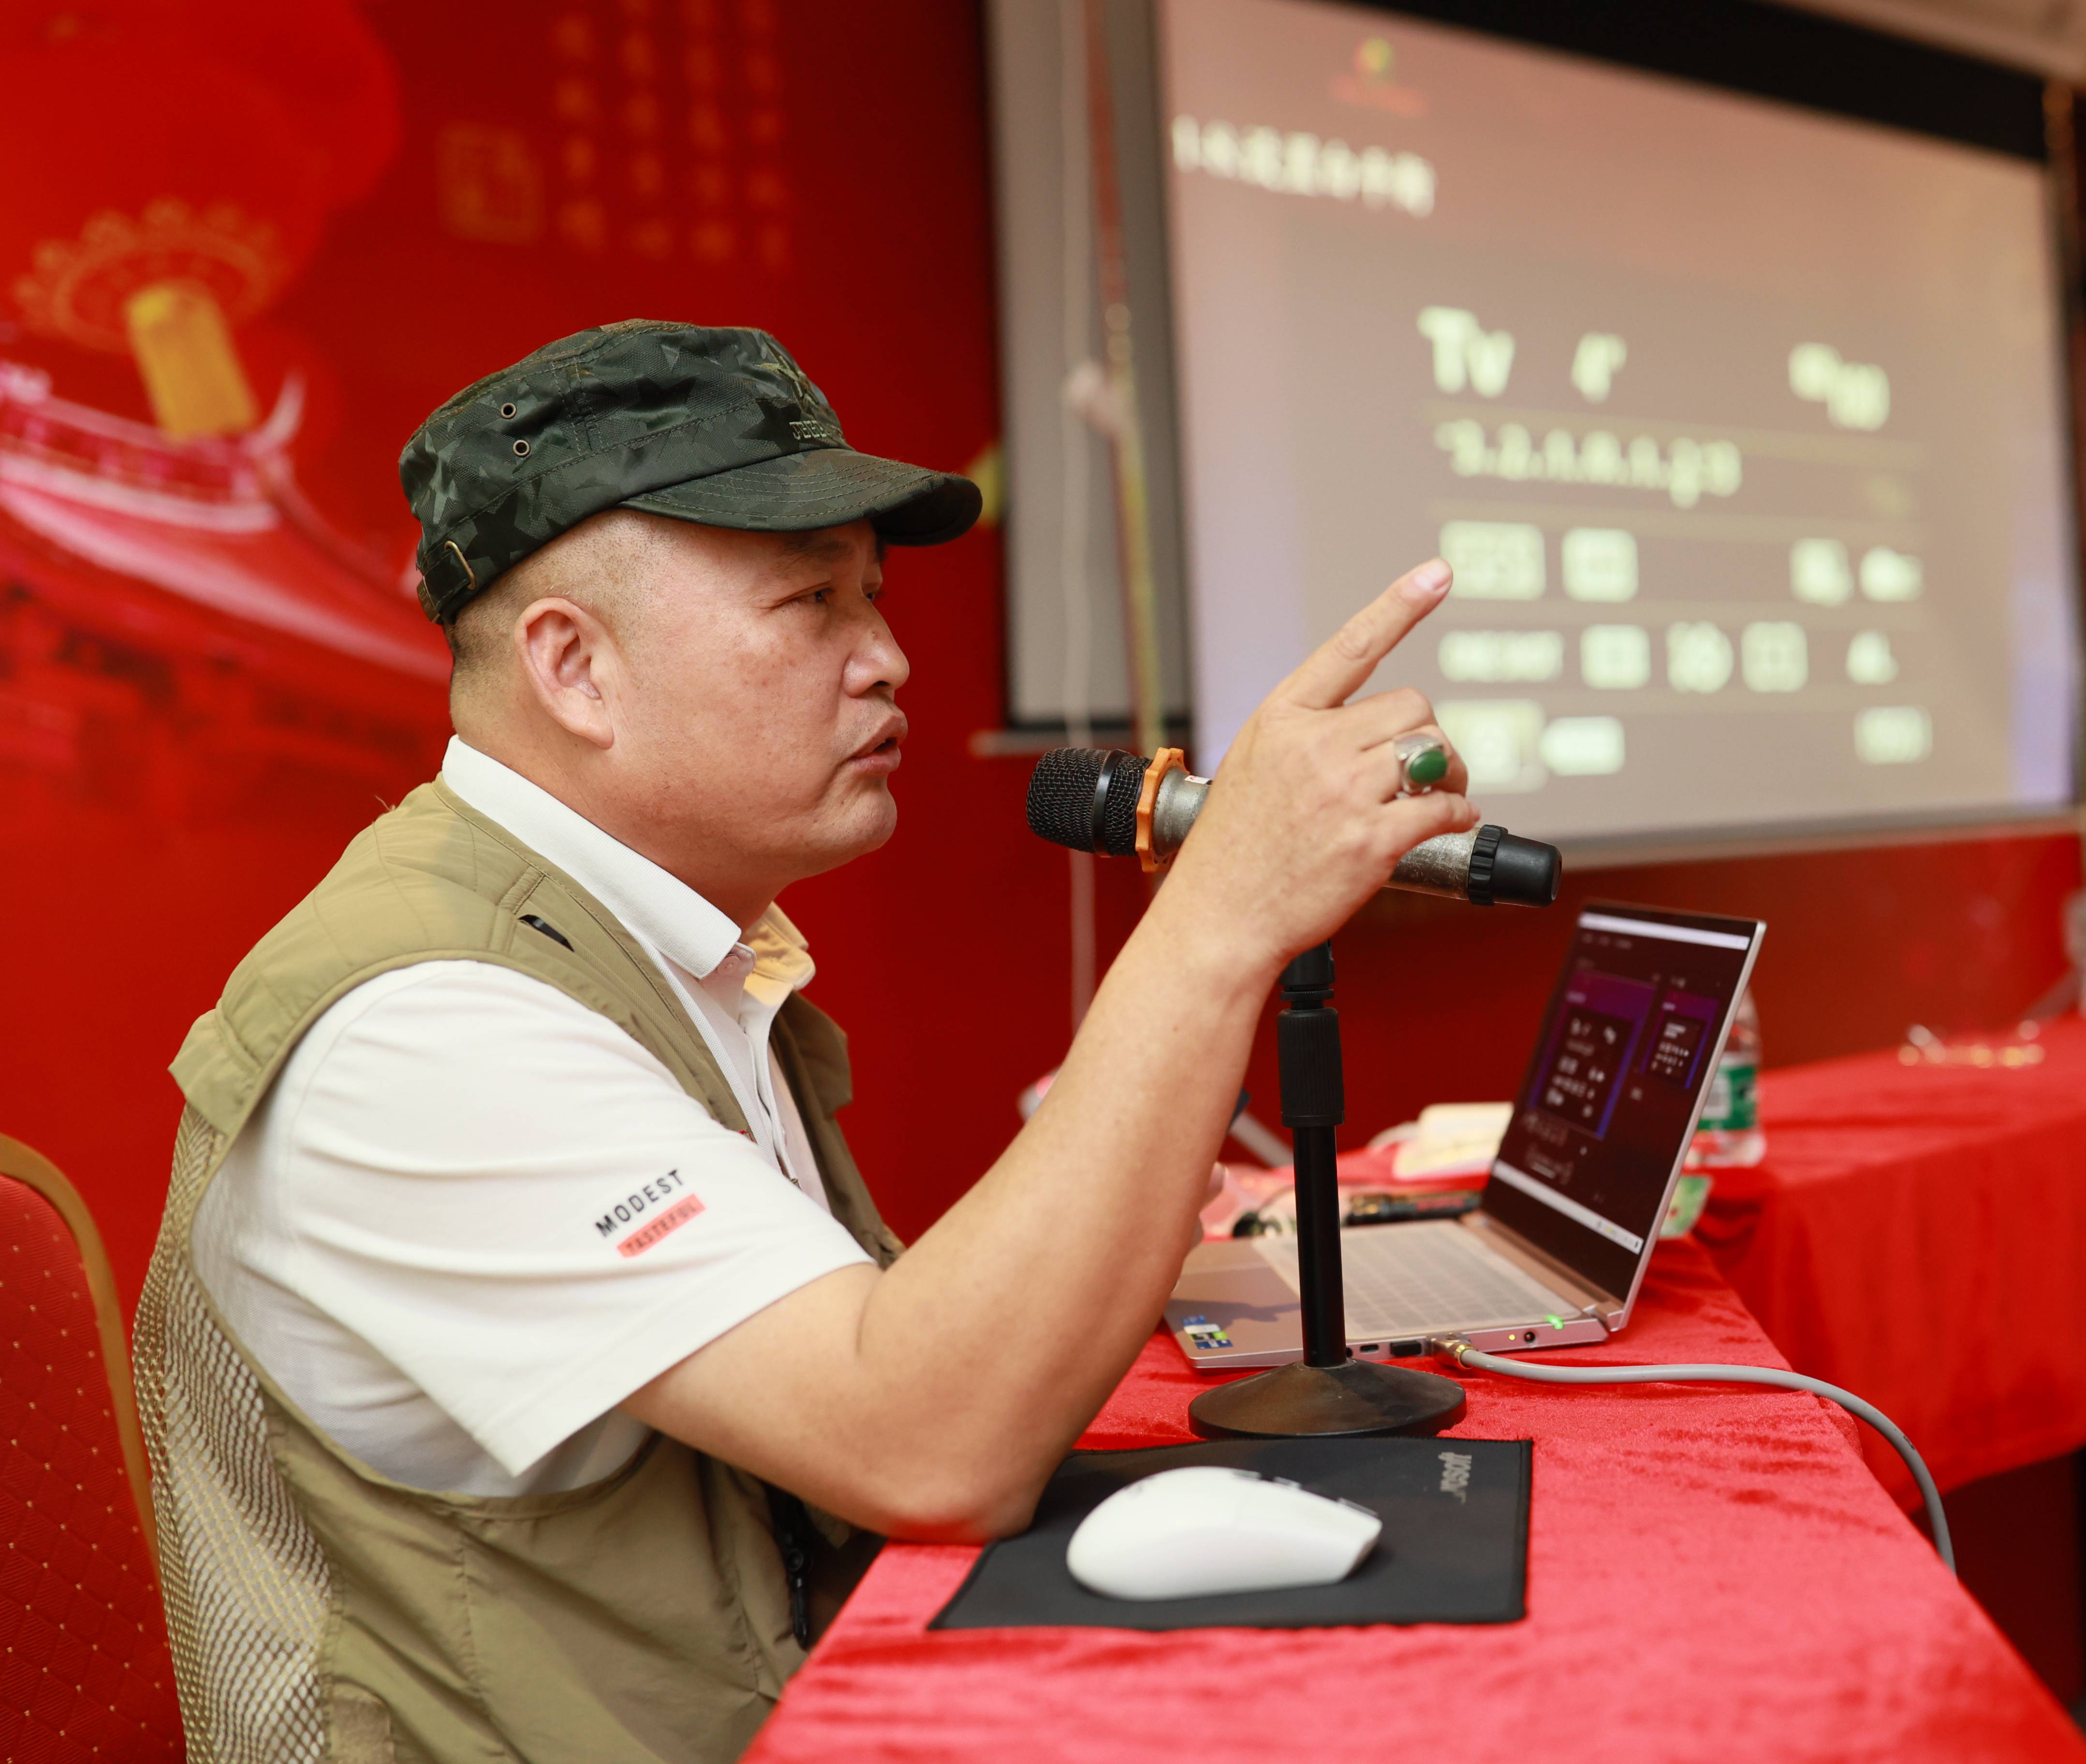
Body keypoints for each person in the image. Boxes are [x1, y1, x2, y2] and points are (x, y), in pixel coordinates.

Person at [133, 320, 1474, 1764]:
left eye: (874, 598)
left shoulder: (668, 944)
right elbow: (926, 1439)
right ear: (575, 667)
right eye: (807, 606)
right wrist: (1220, 916)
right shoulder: (423, 1029)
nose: (888, 660)